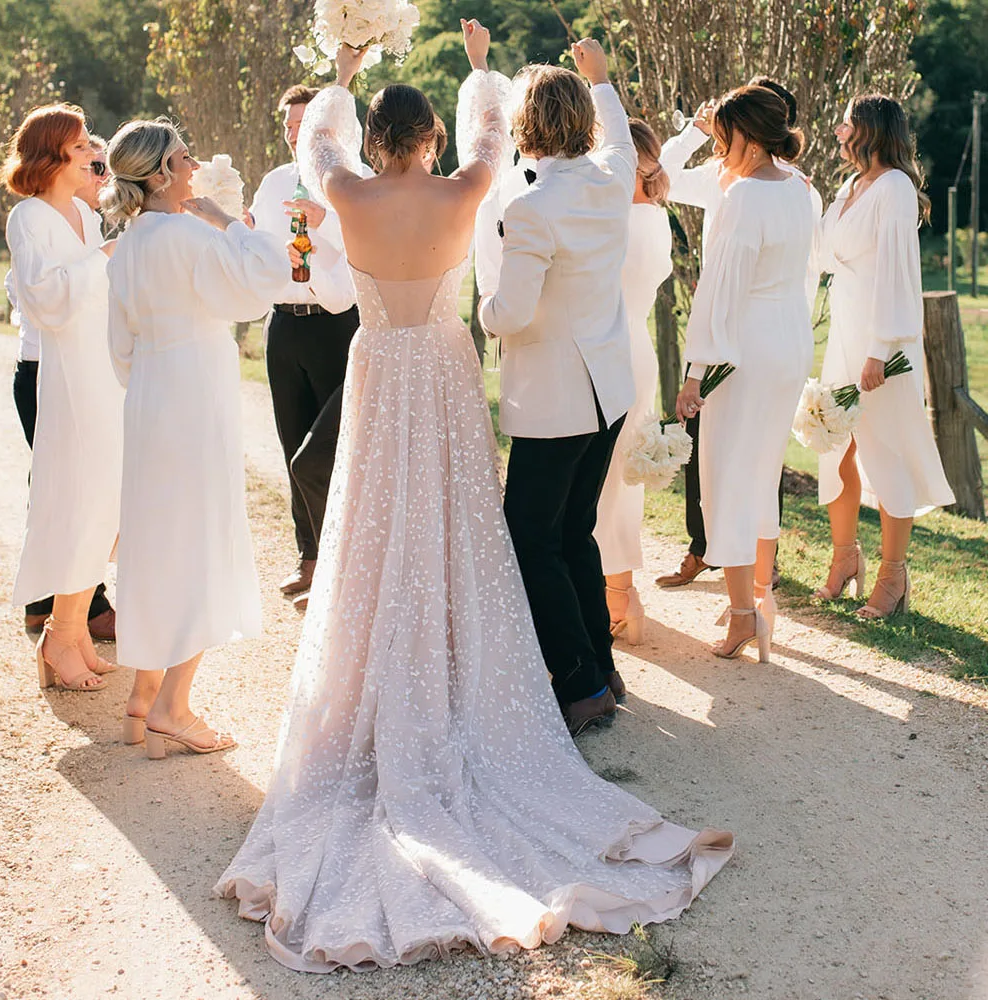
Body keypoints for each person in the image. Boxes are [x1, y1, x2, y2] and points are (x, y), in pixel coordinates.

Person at [217, 27, 733, 973]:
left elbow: (314, 145)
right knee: (461, 526)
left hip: (381, 374)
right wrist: (483, 69)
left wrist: (340, 73)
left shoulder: (345, 193)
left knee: (376, 530)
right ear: (429, 141)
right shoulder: (465, 193)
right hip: (446, 378)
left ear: (377, 140)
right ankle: (487, 666)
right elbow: (495, 136)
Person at [104, 119, 288, 755]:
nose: (194, 165)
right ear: (160, 173)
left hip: (150, 395)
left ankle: (140, 697)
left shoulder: (128, 244)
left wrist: (155, 373)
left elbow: (119, 348)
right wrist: (229, 222)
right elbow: (262, 284)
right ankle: (173, 707)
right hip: (194, 391)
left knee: (159, 539)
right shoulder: (190, 232)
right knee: (200, 539)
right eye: (185, 157)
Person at [479, 52, 637, 731]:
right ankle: (600, 670)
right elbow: (623, 136)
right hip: (608, 390)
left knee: (530, 539)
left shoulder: (533, 206)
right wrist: (601, 78)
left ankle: (577, 681)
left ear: (524, 127)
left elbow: (510, 313)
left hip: (554, 397)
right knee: (576, 532)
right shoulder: (612, 176)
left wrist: (481, 312)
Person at [655, 77, 822, 590]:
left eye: (723, 136)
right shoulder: (801, 188)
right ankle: (759, 596)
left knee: (726, 478)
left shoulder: (746, 194)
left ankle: (745, 611)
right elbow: (809, 271)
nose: (718, 147)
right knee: (762, 471)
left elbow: (720, 294)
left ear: (748, 138)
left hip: (742, 346)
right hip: (788, 340)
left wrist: (696, 375)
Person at [813, 95, 954, 617]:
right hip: (844, 334)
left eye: (845, 123)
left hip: (881, 343)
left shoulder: (895, 188)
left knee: (885, 450)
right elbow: (826, 256)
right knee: (834, 447)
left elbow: (898, 272)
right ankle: (845, 558)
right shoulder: (850, 188)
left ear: (869, 130)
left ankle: (893, 578)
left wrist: (881, 349)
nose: (837, 132)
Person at [1, 104, 123, 692]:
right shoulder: (28, 217)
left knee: (107, 501)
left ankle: (71, 632)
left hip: (104, 370)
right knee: (80, 499)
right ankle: (57, 632)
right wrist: (104, 257)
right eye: (82, 149)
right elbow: (47, 300)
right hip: (66, 376)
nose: (93, 155)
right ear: (52, 156)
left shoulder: (83, 211)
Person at [249, 85, 360, 604]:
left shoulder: (347, 180)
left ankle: (346, 560)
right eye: (288, 124)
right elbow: (256, 246)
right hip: (284, 325)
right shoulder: (271, 184)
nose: (294, 132)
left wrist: (325, 220)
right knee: (292, 442)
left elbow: (365, 238)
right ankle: (310, 556)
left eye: (303, 123)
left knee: (333, 448)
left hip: (336, 322)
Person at [593, 119, 672, 646]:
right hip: (638, 350)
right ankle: (616, 589)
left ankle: (620, 595)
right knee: (620, 478)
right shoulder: (658, 218)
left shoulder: (617, 220)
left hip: (613, 353)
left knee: (605, 482)